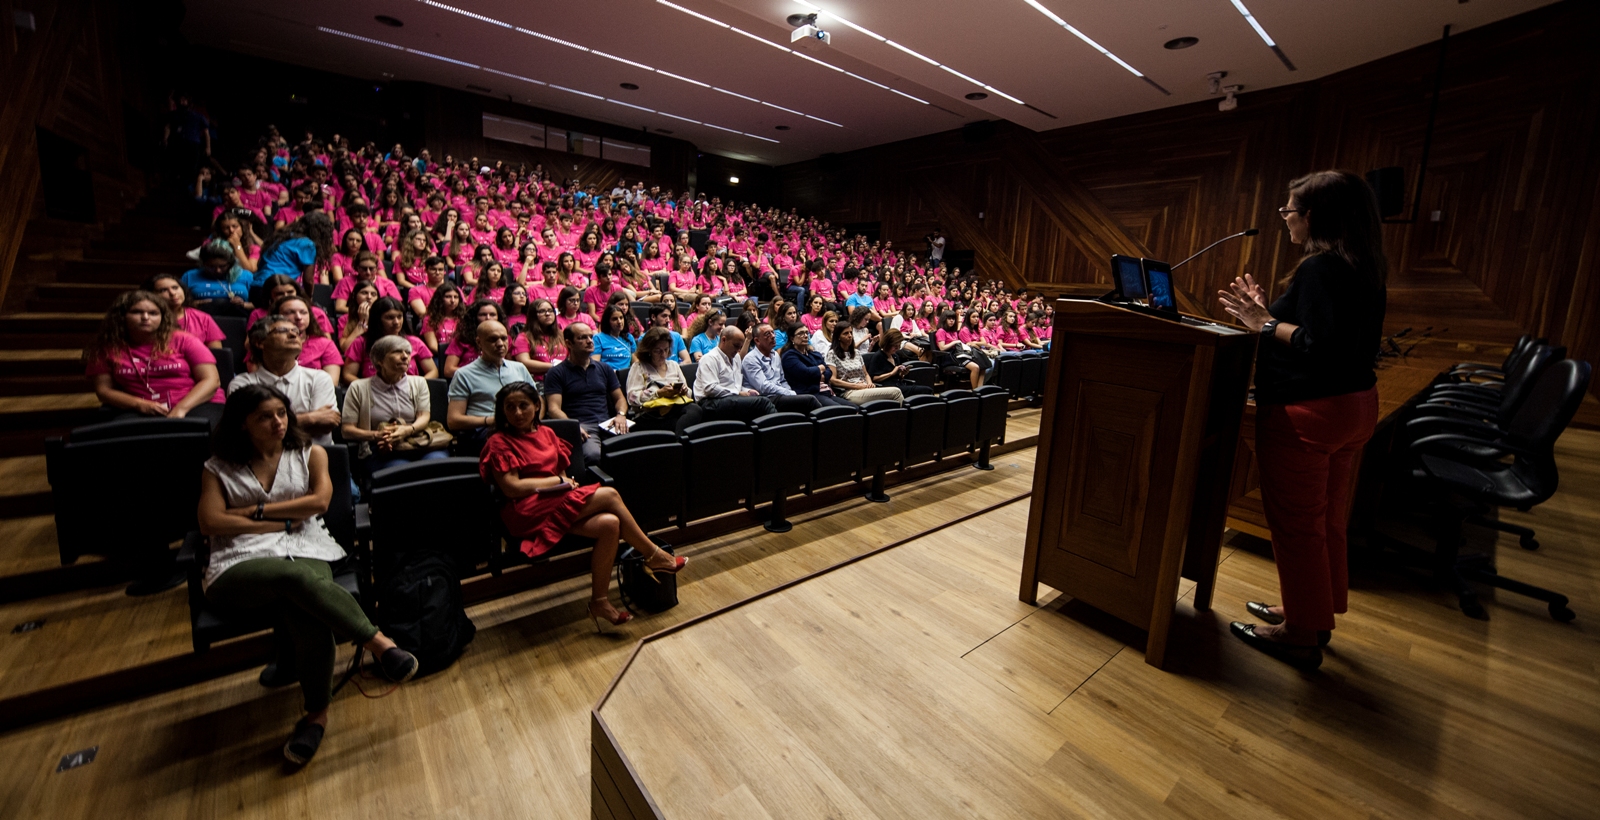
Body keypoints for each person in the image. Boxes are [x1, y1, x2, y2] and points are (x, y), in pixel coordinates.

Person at [1216, 170, 1388, 671]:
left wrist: (1264, 323)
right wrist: (1268, 315)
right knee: (1327, 519)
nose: (1285, 219)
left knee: (1296, 528)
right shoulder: (1364, 265)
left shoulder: (1319, 268)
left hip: (1310, 413)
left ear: (1311, 216)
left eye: (1288, 210)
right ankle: (1315, 612)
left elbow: (1318, 346)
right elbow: (1328, 336)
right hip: (1355, 408)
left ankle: (1298, 634)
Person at [198, 385, 419, 766]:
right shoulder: (218, 467)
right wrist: (282, 518)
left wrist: (250, 515)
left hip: (306, 544)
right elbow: (211, 522)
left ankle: (316, 717)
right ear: (242, 424)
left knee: (308, 611)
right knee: (298, 581)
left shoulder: (310, 453)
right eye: (264, 417)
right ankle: (379, 644)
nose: (278, 422)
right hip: (237, 561)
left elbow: (319, 502)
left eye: (281, 413)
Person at [479, 383, 686, 631]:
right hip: (525, 510)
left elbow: (561, 471)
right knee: (609, 494)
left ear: (536, 406)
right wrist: (557, 482)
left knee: (610, 524)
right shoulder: (499, 441)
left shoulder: (546, 434)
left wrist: (565, 485)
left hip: (554, 502)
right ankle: (652, 555)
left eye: (524, 405)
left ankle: (598, 602)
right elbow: (512, 487)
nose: (518, 413)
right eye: (510, 407)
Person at [84, 290, 225, 424]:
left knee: (197, 432)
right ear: (121, 316)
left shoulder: (184, 340)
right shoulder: (107, 347)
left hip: (196, 402)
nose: (145, 317)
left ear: (162, 317)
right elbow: (104, 391)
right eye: (136, 312)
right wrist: (140, 404)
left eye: (153, 313)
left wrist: (181, 409)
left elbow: (211, 380)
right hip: (140, 406)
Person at [341, 335, 450, 474]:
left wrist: (407, 430)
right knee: (400, 471)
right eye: (397, 352)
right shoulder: (358, 388)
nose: (405, 356)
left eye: (408, 352)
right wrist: (376, 435)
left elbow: (424, 417)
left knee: (436, 464)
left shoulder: (419, 383)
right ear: (379, 360)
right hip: (380, 448)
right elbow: (347, 430)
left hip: (419, 441)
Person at [228, 315, 341, 447]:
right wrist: (311, 418)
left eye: (296, 331)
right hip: (261, 461)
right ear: (260, 342)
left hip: (313, 459)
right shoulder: (242, 384)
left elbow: (326, 424)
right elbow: (244, 430)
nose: (293, 335)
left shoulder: (319, 378)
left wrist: (267, 424)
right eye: (282, 331)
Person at [543, 322, 629, 466]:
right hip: (582, 426)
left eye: (591, 336)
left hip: (607, 423)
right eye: (582, 338)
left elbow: (620, 398)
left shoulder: (604, 368)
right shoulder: (556, 373)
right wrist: (573, 426)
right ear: (569, 343)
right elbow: (553, 409)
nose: (590, 341)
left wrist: (620, 414)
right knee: (593, 455)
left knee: (632, 451)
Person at [445, 320, 532, 457]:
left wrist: (533, 419)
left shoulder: (519, 368)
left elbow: (538, 400)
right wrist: (491, 420)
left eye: (503, 338)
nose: (500, 344)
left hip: (520, 426)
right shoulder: (464, 374)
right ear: (479, 343)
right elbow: (453, 421)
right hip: (485, 431)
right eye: (493, 339)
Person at [341, 297, 438, 384]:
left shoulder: (414, 342)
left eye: (399, 317)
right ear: (378, 319)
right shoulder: (361, 343)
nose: (396, 322)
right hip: (374, 394)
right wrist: (369, 388)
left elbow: (433, 371)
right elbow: (348, 375)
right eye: (390, 318)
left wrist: (416, 385)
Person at [625, 326, 701, 433]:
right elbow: (632, 398)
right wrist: (658, 393)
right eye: (658, 351)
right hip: (651, 414)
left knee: (695, 410)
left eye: (666, 349)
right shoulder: (639, 367)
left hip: (674, 409)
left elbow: (688, 393)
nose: (664, 354)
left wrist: (683, 391)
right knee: (679, 423)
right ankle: (679, 442)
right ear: (649, 350)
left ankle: (678, 442)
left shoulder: (673, 365)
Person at [693, 327, 777, 422]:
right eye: (736, 346)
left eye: (740, 347)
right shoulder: (709, 358)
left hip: (729, 399)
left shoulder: (736, 357)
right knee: (763, 403)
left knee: (761, 399)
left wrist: (747, 391)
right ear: (724, 340)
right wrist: (738, 393)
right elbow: (710, 389)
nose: (738, 350)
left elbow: (735, 385)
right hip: (709, 403)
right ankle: (780, 432)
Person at [742, 323, 823, 413]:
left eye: (773, 332)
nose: (772, 336)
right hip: (765, 398)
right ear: (757, 340)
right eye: (767, 334)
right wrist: (789, 393)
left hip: (780, 395)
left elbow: (782, 380)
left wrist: (790, 393)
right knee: (809, 400)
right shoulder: (750, 359)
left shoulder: (775, 355)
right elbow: (763, 387)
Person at [826, 323, 902, 405]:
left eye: (851, 332)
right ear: (838, 337)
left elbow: (866, 374)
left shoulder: (856, 353)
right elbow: (833, 380)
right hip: (849, 392)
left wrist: (869, 383)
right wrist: (857, 386)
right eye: (846, 333)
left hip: (865, 388)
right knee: (896, 392)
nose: (850, 335)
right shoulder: (832, 354)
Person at [146, 273, 224, 350]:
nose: (173, 293)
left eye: (175, 287)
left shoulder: (203, 318)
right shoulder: (148, 319)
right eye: (163, 290)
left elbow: (216, 352)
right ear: (152, 295)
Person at [257, 211, 334, 288]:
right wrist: (308, 298)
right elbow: (308, 280)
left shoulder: (281, 237)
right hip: (275, 288)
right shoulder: (307, 244)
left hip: (256, 285)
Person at [780, 328, 853, 407]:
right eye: (801, 333)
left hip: (826, 392)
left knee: (854, 408)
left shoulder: (814, 354)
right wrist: (820, 369)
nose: (805, 336)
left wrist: (816, 375)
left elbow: (829, 372)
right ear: (792, 338)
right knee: (842, 411)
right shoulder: (789, 356)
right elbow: (806, 373)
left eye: (806, 333)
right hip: (810, 394)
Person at [180, 239, 253, 314]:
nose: (218, 270)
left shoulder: (246, 276)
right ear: (203, 263)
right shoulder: (189, 276)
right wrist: (193, 304)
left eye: (222, 266)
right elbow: (178, 304)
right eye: (211, 266)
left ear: (230, 264)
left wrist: (244, 304)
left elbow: (259, 305)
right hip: (200, 317)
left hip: (238, 318)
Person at [865, 329, 933, 396]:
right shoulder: (878, 356)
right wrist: (891, 373)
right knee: (926, 390)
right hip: (889, 389)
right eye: (895, 346)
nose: (897, 348)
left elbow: (898, 377)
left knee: (926, 390)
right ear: (888, 344)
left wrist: (902, 374)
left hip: (899, 385)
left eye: (899, 345)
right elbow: (874, 379)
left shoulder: (895, 356)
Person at [592, 304, 637, 370]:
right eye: (614, 319)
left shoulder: (629, 337)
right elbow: (595, 364)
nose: (619, 321)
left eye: (621, 318)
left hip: (626, 376)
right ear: (608, 321)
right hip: (607, 376)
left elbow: (636, 362)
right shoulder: (598, 338)